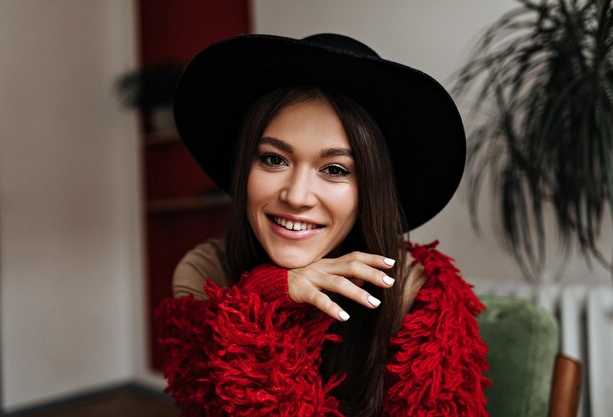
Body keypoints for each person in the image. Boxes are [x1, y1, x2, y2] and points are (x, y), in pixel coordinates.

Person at [155, 33, 490, 417]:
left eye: (334, 169)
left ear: (370, 190)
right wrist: (265, 299)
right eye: (273, 159)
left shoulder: (422, 297)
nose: (297, 196)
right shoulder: (206, 273)